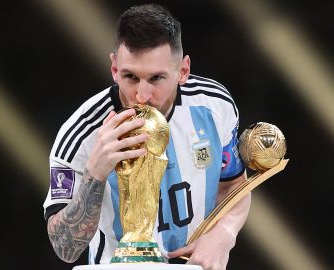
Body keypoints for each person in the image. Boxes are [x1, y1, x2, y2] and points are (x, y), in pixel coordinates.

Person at [43, 4, 251, 270]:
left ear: (183, 71)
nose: (142, 95)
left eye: (156, 78)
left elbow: (234, 186)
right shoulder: (81, 134)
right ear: (114, 69)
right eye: (130, 77)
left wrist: (225, 234)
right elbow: (64, 247)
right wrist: (95, 172)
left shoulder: (214, 105)